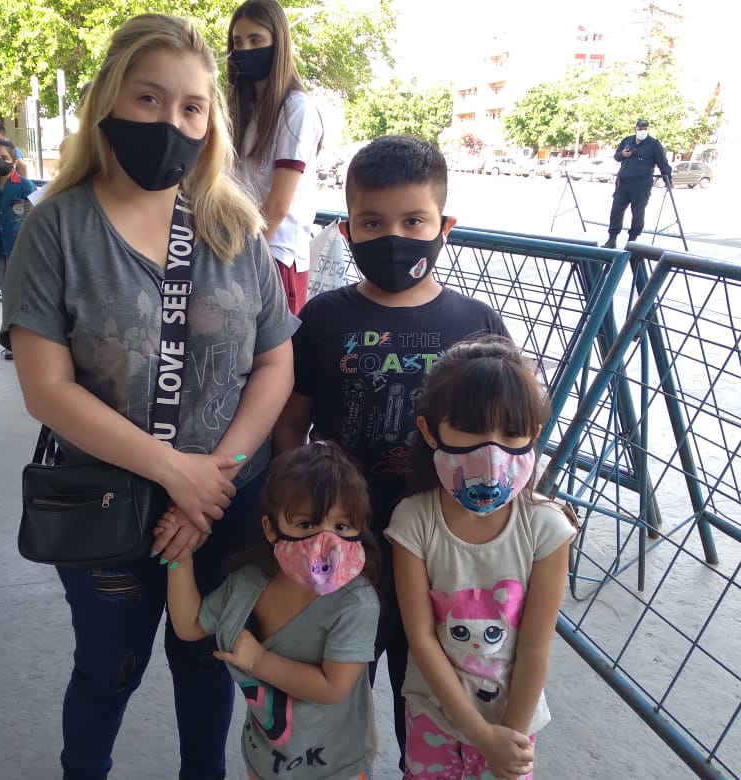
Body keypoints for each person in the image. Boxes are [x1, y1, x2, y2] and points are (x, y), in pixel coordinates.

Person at [0, 13, 296, 779]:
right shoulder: (56, 228)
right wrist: (175, 474)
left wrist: (214, 478)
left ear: (209, 122)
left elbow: (275, 362)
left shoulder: (234, 225)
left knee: (206, 658)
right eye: (149, 98)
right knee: (109, 669)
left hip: (226, 499)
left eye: (191, 107)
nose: (171, 121)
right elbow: (46, 388)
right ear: (108, 99)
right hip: (109, 506)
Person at [272, 134, 510, 763]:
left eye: (414, 221)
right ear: (347, 229)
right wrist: (300, 520)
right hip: (347, 549)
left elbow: (504, 436)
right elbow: (290, 426)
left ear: (444, 228)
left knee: (431, 699)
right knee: (332, 696)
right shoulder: (322, 319)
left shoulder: (478, 325)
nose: (394, 237)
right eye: (373, 223)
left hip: (442, 554)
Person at [385, 336, 574, 780]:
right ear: (429, 431)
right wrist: (479, 735)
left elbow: (535, 647)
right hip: (433, 715)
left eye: (510, 432)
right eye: (470, 427)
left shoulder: (547, 530)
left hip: (514, 725)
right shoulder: (413, 522)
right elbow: (421, 639)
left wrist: (507, 738)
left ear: (534, 434)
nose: (491, 452)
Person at [165, 442, 381, 780]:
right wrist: (179, 552)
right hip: (264, 761)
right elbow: (190, 625)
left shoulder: (356, 605)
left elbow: (332, 688)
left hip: (337, 769)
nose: (325, 543)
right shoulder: (248, 583)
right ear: (270, 529)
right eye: (306, 525)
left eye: (341, 527)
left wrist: (259, 661)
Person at [227, 0, 323, 315]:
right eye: (238, 42)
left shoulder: (296, 108)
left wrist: (242, 260)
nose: (245, 50)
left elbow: (278, 206)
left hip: (277, 257)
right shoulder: (242, 108)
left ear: (278, 44)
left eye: (256, 40)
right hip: (240, 250)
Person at [0, 137, 35, 359]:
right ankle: (11, 340)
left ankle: (21, 342)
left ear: (14, 161)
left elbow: (32, 218)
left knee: (22, 298)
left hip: (19, 250)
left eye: (4, 158)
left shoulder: (25, 186)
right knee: (7, 297)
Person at [603, 118, 672, 249]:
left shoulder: (653, 144)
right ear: (635, 129)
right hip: (623, 183)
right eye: (640, 128)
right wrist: (623, 154)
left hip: (641, 185)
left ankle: (632, 242)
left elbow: (663, 163)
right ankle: (612, 239)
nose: (642, 131)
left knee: (638, 213)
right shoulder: (627, 140)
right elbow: (617, 156)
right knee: (616, 211)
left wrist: (668, 179)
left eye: (645, 129)